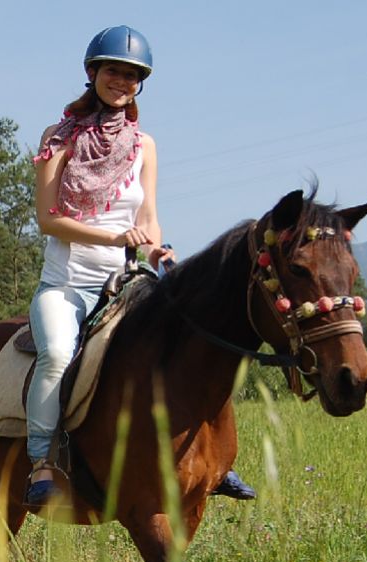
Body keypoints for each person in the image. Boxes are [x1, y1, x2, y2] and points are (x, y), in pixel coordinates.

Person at [24, 25, 254, 506]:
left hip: (125, 283)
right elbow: (49, 220)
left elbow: (146, 218)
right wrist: (112, 236)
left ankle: (211, 460)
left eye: (131, 76)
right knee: (57, 356)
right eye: (113, 71)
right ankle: (42, 460)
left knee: (184, 349)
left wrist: (155, 250)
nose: (122, 82)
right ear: (93, 73)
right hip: (66, 285)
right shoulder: (57, 139)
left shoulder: (143, 146)